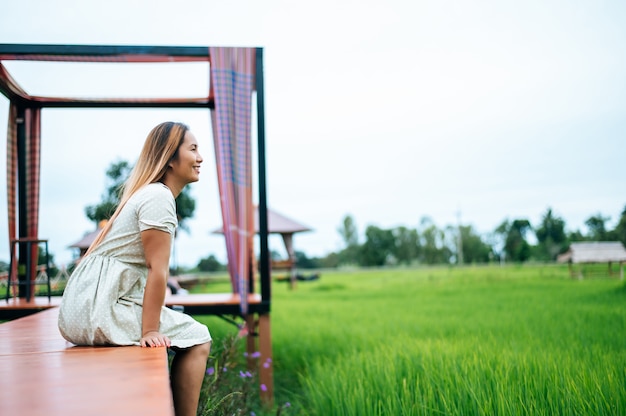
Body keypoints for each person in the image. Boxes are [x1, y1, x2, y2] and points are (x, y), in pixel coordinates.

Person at [58, 121, 211, 416]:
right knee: (198, 336)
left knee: (186, 331)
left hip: (84, 308)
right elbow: (158, 270)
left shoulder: (147, 194)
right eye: (193, 149)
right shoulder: (158, 197)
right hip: (97, 311)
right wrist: (150, 329)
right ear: (169, 157)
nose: (200, 157)